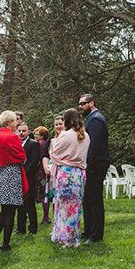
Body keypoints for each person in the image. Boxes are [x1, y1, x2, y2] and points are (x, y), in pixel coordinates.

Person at [49, 108, 90, 248]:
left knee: (64, 207)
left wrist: (63, 161)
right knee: (76, 207)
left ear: (66, 120)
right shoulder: (86, 135)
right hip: (80, 174)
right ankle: (74, 238)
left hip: (67, 174)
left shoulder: (65, 135)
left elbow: (54, 154)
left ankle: (66, 239)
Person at [0, 111, 27, 251]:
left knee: (4, 210)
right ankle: (5, 244)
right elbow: (22, 156)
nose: (17, 123)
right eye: (15, 120)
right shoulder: (12, 136)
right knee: (10, 211)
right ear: (10, 122)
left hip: (0, 175)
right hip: (12, 174)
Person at [79, 94, 110, 244]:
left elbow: (95, 145)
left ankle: (95, 235)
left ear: (91, 103)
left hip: (95, 166)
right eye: (79, 104)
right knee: (87, 200)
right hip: (90, 165)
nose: (80, 107)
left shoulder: (96, 119)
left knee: (95, 200)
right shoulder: (90, 118)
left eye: (83, 104)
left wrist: (91, 166)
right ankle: (88, 231)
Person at [15, 123, 40, 235]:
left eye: (24, 131)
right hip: (17, 178)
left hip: (28, 177)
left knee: (30, 204)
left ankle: (32, 228)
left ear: (29, 132)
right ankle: (20, 228)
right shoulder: (15, 143)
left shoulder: (33, 144)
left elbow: (34, 162)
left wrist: (22, 173)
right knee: (19, 204)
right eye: (19, 131)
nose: (21, 133)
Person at [41, 116, 64, 224]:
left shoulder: (67, 139)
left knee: (62, 199)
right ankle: (56, 224)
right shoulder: (51, 140)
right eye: (56, 124)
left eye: (60, 124)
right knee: (54, 199)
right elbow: (45, 156)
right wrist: (46, 167)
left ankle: (63, 223)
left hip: (63, 171)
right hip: (51, 173)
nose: (58, 126)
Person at [33, 126, 50, 224]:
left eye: (37, 134)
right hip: (46, 171)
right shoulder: (47, 144)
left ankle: (44, 217)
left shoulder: (39, 145)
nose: (35, 136)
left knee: (40, 194)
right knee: (45, 194)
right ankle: (46, 217)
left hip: (40, 172)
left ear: (42, 136)